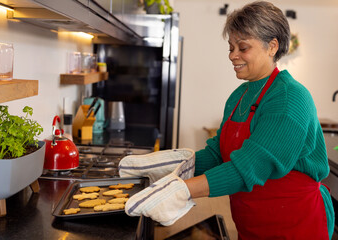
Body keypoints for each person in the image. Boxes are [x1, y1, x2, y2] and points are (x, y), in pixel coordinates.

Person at [120, 1, 335, 239]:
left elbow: (251, 166)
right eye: (230, 47)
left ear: (272, 46)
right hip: (252, 224)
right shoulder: (239, 96)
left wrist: (182, 190)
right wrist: (175, 167)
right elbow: (217, 154)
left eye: (242, 48)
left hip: (294, 225)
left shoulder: (289, 97)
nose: (233, 56)